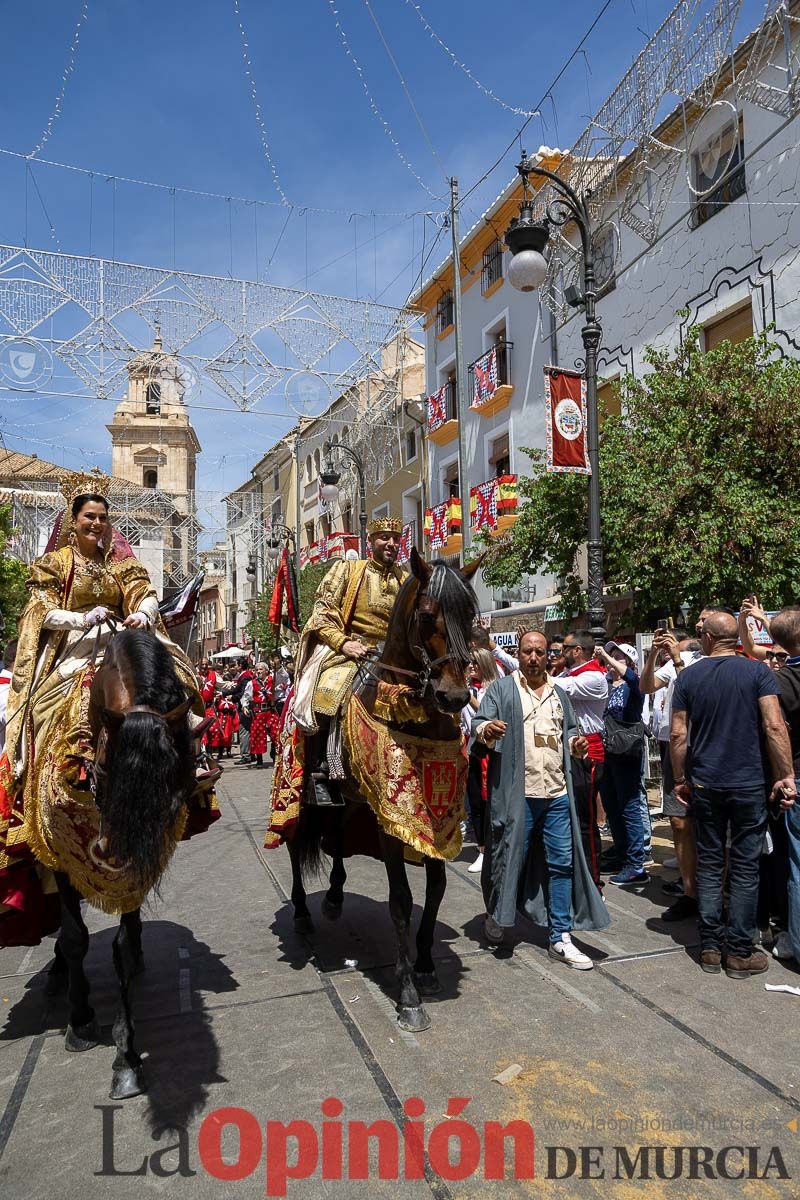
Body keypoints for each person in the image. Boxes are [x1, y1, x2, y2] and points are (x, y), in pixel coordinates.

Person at [0, 470, 216, 945]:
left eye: (102, 518)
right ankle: (27, 772)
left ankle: (191, 758)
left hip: (121, 642)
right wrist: (80, 616)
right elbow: (38, 610)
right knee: (38, 707)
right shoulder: (57, 562)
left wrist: (144, 611)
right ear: (73, 522)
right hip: (74, 649)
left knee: (174, 674)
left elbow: (145, 590)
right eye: (88, 518)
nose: (97, 525)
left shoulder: (122, 563)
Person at [670, 611, 796, 978]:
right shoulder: (756, 671)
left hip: (707, 783)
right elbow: (774, 724)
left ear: (707, 638)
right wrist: (785, 774)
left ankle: (710, 947)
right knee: (744, 865)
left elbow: (679, 735)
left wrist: (681, 778)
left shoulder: (688, 677)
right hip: (747, 782)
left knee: (710, 863)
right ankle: (739, 951)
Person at [472, 631, 610, 964]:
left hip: (557, 794)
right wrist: (487, 730)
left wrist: (576, 744)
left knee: (561, 864)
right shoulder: (502, 690)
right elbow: (478, 723)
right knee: (507, 860)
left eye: (540, 652)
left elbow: (573, 732)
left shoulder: (560, 693)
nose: (534, 657)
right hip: (517, 795)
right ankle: (497, 914)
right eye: (527, 652)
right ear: (518, 655)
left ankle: (560, 936)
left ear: (548, 655)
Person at [294, 518, 405, 803]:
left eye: (395, 538)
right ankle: (320, 770)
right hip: (352, 650)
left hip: (396, 658)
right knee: (326, 694)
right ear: (371, 541)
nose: (391, 543)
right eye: (384, 537)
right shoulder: (349, 569)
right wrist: (344, 643)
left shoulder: (406, 579)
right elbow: (323, 612)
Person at [641, 627, 704, 921]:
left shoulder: (712, 661)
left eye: (706, 622)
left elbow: (696, 692)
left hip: (703, 747)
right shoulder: (681, 658)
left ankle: (715, 892)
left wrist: (678, 658)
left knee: (710, 826)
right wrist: (654, 653)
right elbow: (646, 685)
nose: (702, 626)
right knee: (679, 821)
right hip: (674, 748)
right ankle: (690, 891)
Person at [556, 631, 609, 887]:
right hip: (567, 747)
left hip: (587, 751)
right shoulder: (569, 673)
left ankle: (593, 881)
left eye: (563, 649)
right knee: (568, 815)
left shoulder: (594, 677)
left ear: (577, 650)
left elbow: (555, 687)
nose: (559, 654)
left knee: (585, 820)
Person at [764, 607, 800, 964]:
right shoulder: (784, 679)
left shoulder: (783, 681)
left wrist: (784, 776)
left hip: (794, 779)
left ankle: (795, 941)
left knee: (797, 864)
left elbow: (775, 729)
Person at [596, 641, 648, 886]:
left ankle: (636, 863)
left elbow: (632, 678)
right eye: (610, 655)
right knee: (611, 804)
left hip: (626, 751)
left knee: (628, 805)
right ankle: (621, 851)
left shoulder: (633, 684)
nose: (611, 660)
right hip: (607, 751)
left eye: (619, 657)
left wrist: (606, 654)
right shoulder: (604, 683)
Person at [460, 648, 499, 874]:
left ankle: (489, 849)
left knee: (487, 801)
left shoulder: (494, 688)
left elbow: (485, 714)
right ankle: (482, 849)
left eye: (475, 662)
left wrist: (468, 696)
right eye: (469, 662)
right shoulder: (469, 686)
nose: (471, 666)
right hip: (469, 744)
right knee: (474, 800)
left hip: (488, 747)